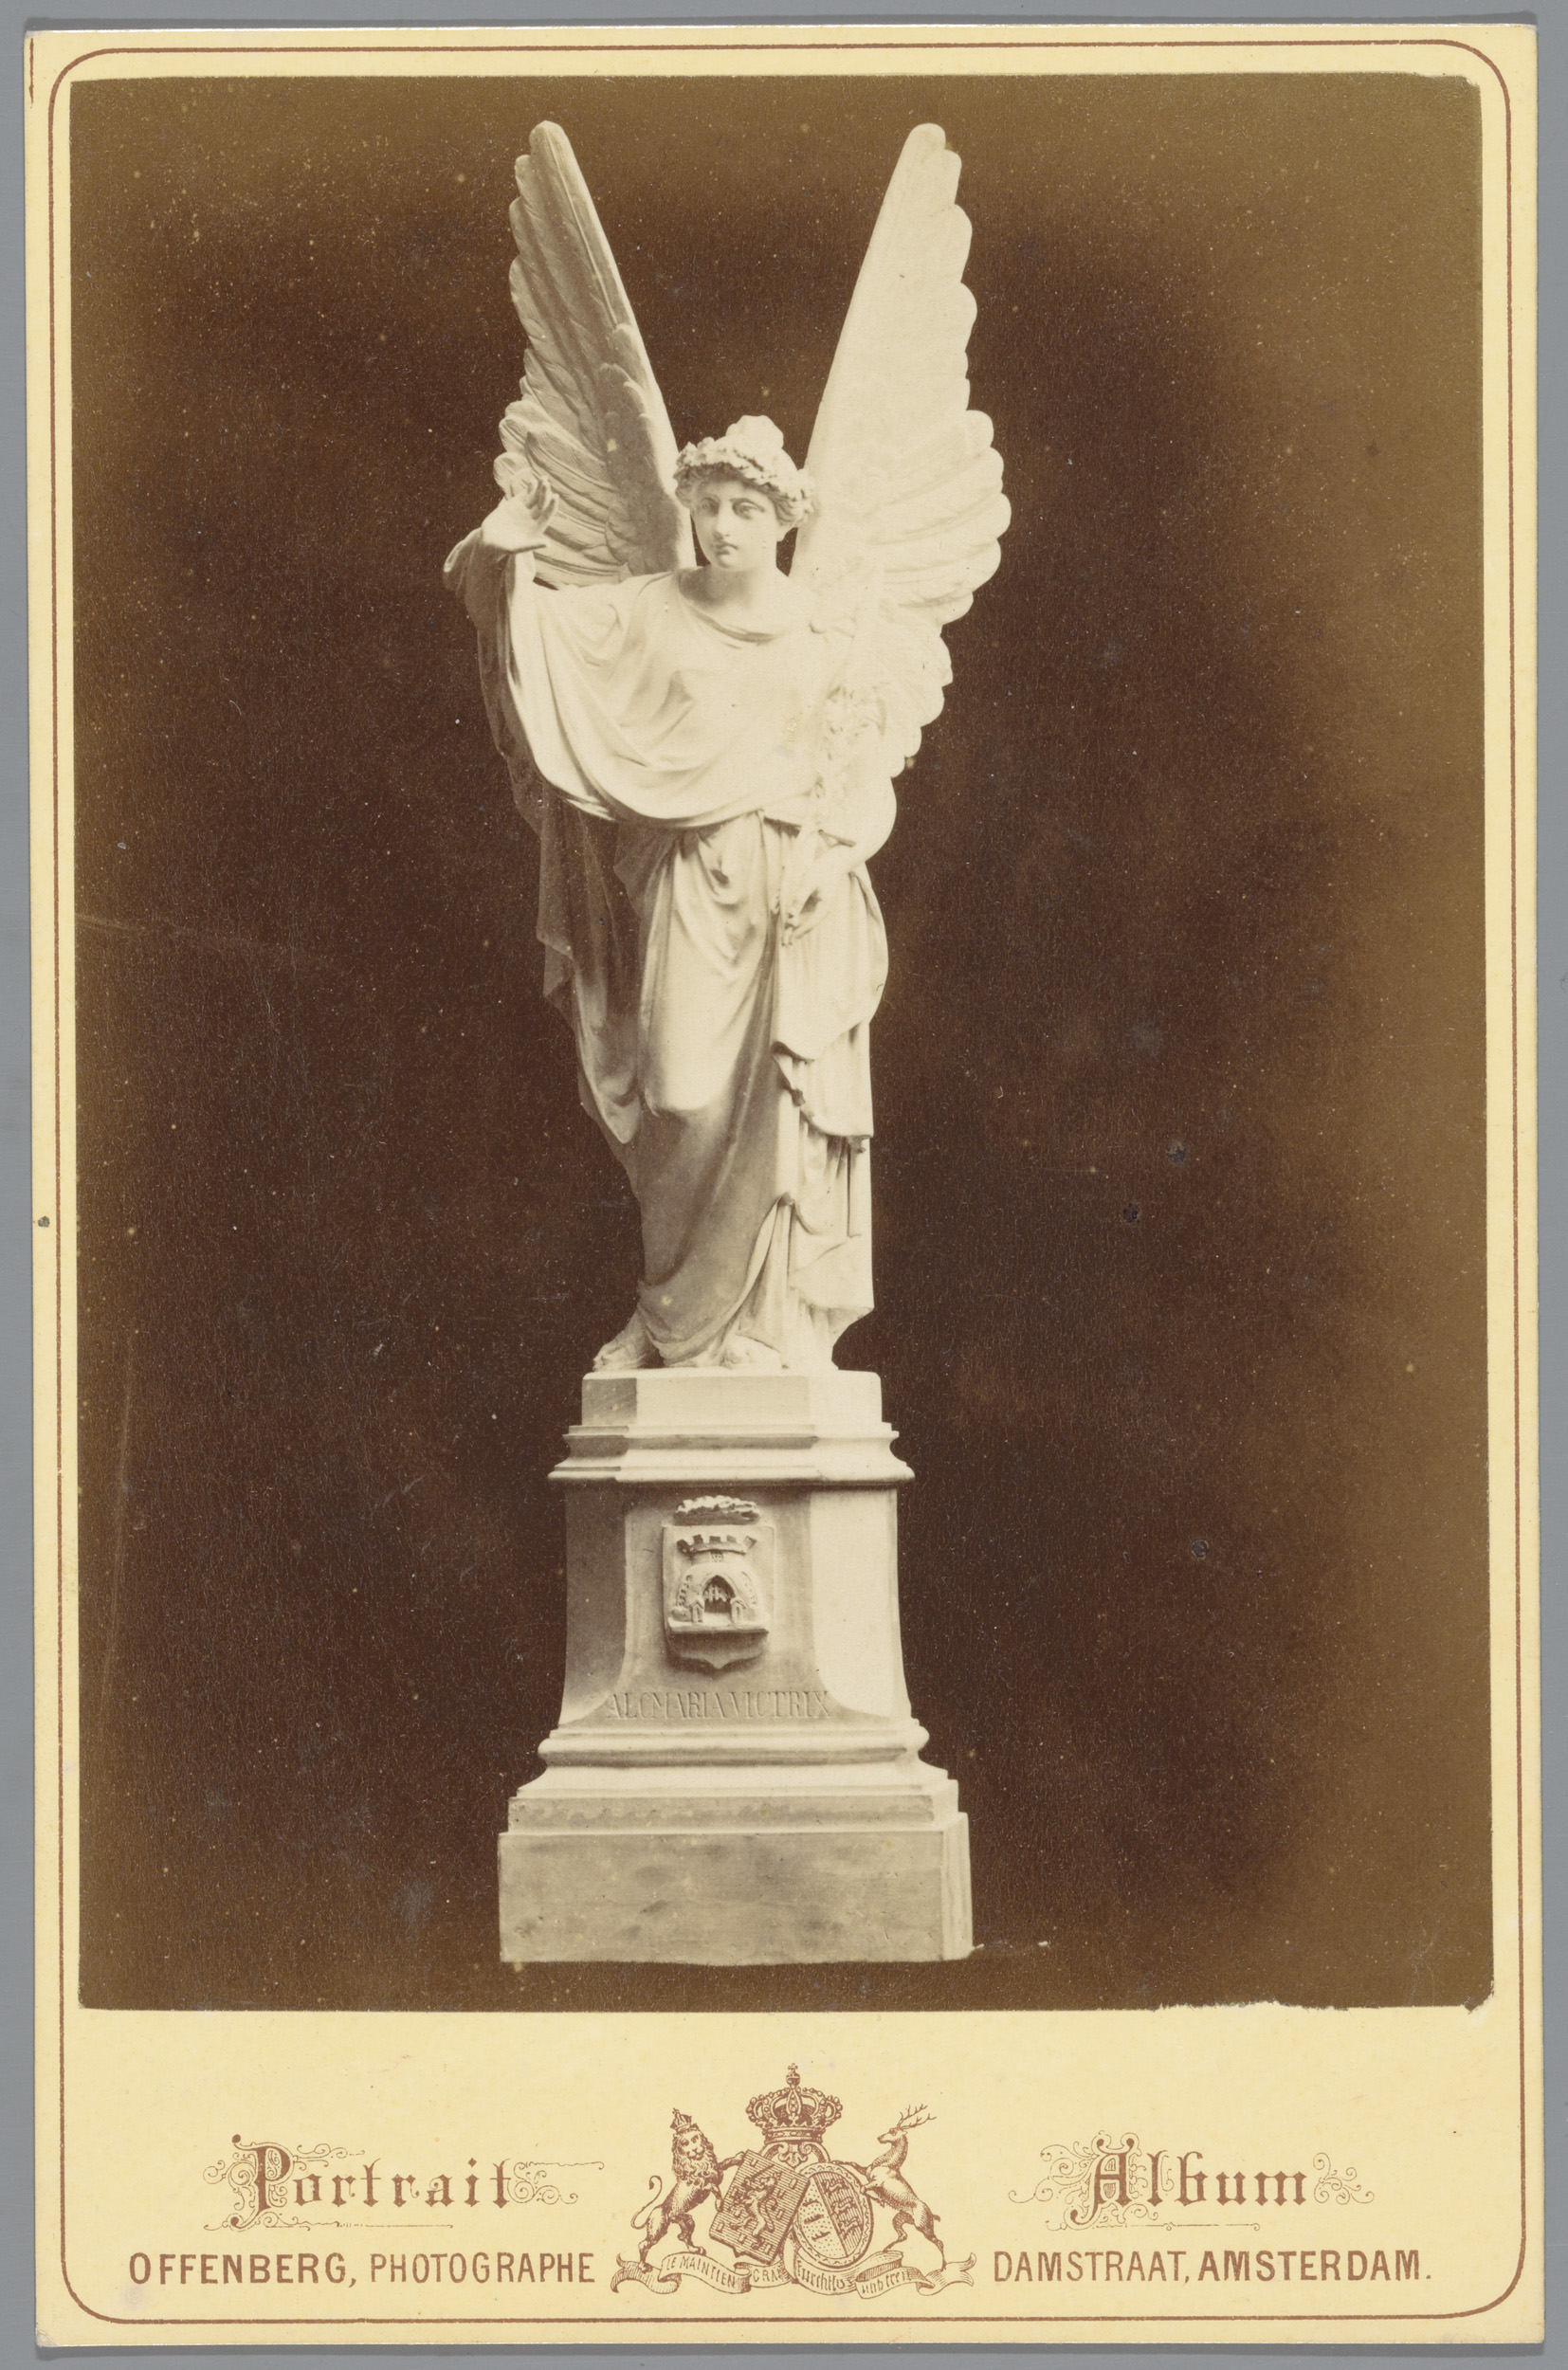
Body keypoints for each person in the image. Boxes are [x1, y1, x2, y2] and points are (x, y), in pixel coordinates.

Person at [445, 417, 897, 1374]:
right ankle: (673, 1317)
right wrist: (503, 550)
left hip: (791, 887)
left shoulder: (825, 630)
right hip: (687, 881)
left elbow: (861, 772)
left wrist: (833, 858)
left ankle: (769, 1328)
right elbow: (525, 633)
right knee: (678, 1097)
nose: (722, 526)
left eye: (745, 509)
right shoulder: (648, 608)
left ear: (783, 520)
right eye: (709, 507)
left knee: (779, 1105)